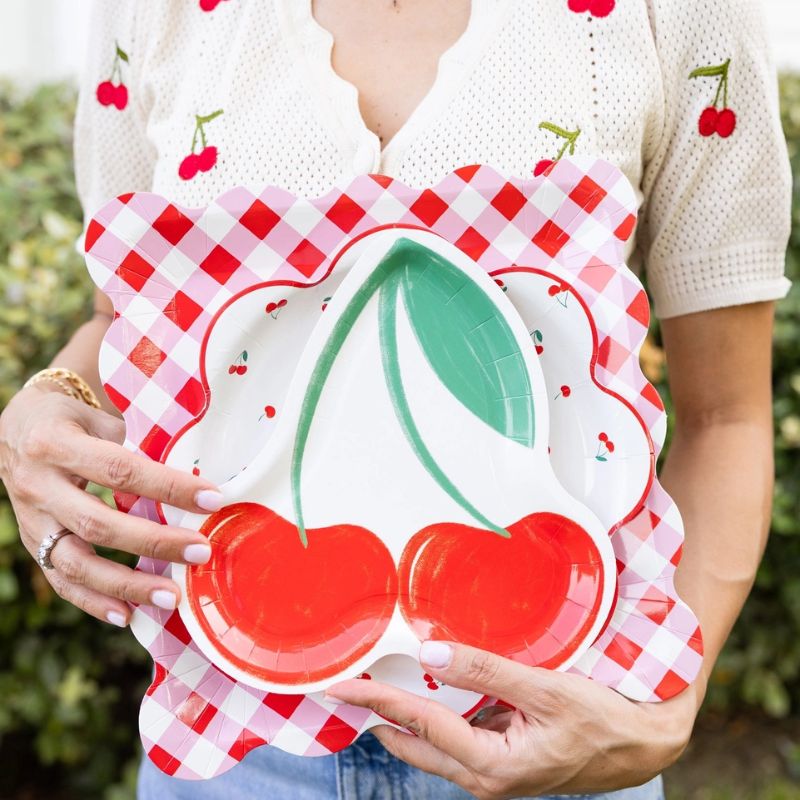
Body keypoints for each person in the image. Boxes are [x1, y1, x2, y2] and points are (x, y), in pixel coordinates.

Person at [0, 0, 791, 798]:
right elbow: (121, 321)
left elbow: (726, 417)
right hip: (240, 740)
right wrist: (48, 401)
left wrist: (664, 701)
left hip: (557, 728)